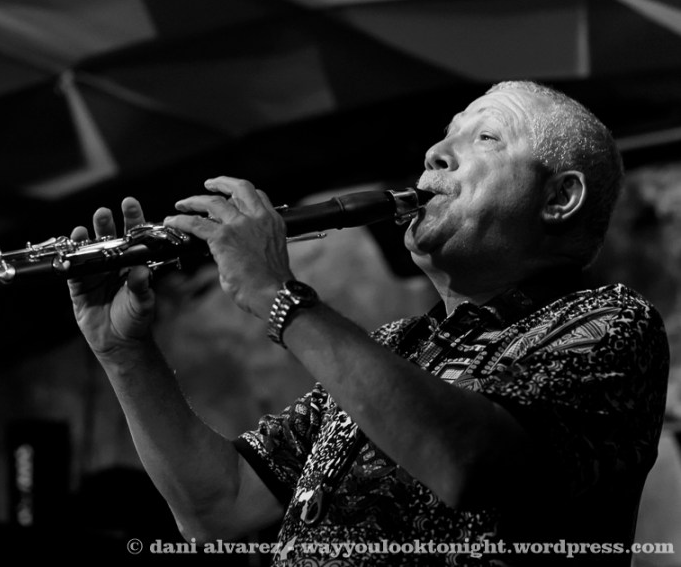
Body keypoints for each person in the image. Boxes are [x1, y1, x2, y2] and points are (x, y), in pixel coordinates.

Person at [66, 81, 670, 566]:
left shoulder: (609, 323)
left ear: (559, 198)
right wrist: (125, 353)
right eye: (445, 135)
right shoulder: (395, 346)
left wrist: (277, 293)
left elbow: (465, 462)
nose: (435, 153)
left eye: (486, 137)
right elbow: (218, 505)